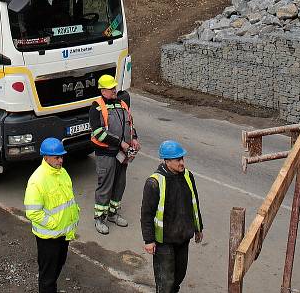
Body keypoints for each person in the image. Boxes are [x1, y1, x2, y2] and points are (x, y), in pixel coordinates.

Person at [141, 140, 204, 293]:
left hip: (183, 237)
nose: (182, 163)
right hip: (164, 241)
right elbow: (146, 214)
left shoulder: (188, 176)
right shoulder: (154, 182)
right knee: (165, 281)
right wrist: (149, 241)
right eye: (178, 160)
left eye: (182, 158)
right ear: (167, 161)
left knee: (179, 275)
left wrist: (198, 228)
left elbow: (194, 204)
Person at [24, 137, 80, 293]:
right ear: (46, 157)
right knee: (47, 277)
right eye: (57, 157)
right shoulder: (37, 180)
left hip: (63, 234)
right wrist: (54, 223)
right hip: (49, 238)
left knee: (58, 267)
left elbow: (68, 198)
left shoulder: (62, 173)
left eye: (62, 156)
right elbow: (33, 212)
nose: (61, 160)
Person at [89, 74, 139, 235]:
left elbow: (129, 124)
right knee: (105, 186)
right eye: (111, 88)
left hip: (122, 154)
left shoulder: (122, 103)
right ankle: (100, 218)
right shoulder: (96, 106)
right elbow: (98, 133)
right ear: (103, 90)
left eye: (114, 87)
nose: (114, 90)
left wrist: (134, 138)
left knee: (119, 184)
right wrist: (120, 143)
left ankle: (113, 214)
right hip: (106, 154)